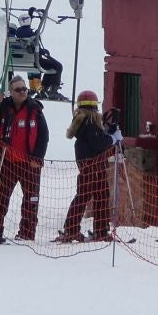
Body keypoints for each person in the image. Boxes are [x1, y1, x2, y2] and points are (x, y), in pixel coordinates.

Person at [57, 92, 119, 243]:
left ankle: (80, 229)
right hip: (93, 166)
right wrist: (112, 138)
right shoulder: (90, 122)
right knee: (96, 198)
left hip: (88, 166)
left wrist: (107, 134)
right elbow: (98, 143)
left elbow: (96, 138)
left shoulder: (82, 121)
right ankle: (95, 230)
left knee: (92, 197)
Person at [0, 73, 49, 241]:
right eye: (18, 89)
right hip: (8, 162)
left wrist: (37, 158)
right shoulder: (3, 107)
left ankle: (27, 232)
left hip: (29, 163)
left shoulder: (35, 109)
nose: (22, 92)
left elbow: (44, 136)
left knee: (31, 199)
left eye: (24, 89)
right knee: (1, 198)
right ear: (11, 91)